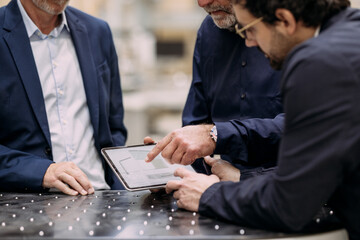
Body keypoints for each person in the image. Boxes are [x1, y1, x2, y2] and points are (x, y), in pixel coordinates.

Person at [164, 0, 360, 239]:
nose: (248, 42)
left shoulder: (316, 60)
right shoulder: (350, 33)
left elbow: (290, 202)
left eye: (251, 29)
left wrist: (209, 194)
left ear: (285, 20)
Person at [145, 0, 284, 180]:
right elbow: (196, 123)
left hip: (289, 189)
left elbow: (308, 128)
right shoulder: (209, 30)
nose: (203, 3)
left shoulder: (293, 33)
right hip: (222, 188)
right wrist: (171, 164)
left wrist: (216, 136)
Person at [0, 0, 127, 195]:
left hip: (102, 196)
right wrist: (41, 171)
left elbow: (113, 127)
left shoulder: (98, 32)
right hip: (26, 203)